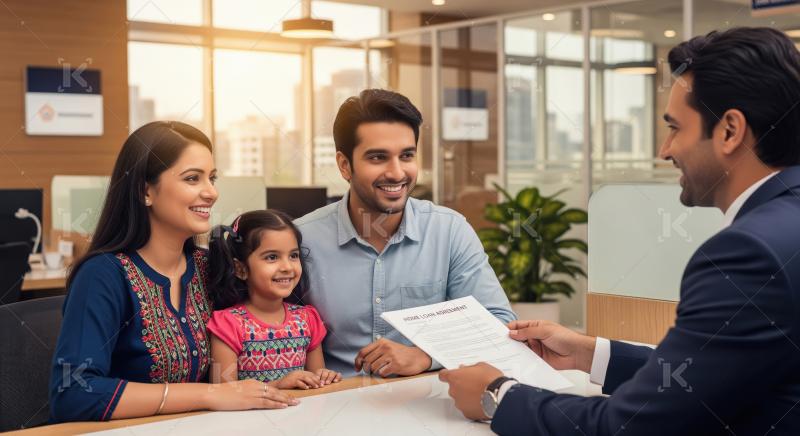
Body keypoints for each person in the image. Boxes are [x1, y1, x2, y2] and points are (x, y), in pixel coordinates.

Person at [439, 27, 800, 435]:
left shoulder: (747, 253)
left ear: (730, 131)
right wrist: (589, 353)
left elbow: (630, 427)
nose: (664, 151)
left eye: (675, 128)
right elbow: (711, 373)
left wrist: (498, 394)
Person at [49, 121, 298, 423]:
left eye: (212, 178)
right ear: (146, 192)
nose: (211, 192)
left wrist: (269, 386)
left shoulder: (210, 267)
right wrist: (209, 395)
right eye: (193, 179)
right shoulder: (103, 275)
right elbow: (73, 393)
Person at [295, 89, 516, 378]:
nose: (397, 173)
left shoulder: (448, 230)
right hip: (332, 406)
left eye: (407, 155)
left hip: (428, 403)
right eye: (378, 157)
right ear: (344, 165)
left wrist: (426, 356)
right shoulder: (302, 240)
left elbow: (498, 325)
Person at [206, 210, 342, 389]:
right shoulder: (228, 324)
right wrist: (278, 385)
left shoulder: (308, 319)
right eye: (272, 257)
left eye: (293, 255)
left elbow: (315, 384)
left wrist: (324, 377)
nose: (287, 267)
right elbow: (222, 392)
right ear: (240, 269)